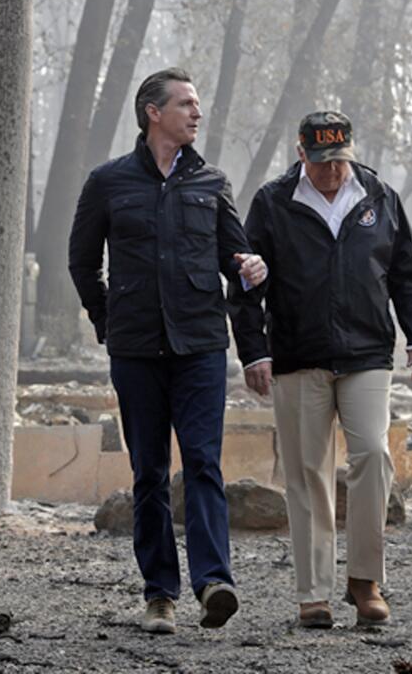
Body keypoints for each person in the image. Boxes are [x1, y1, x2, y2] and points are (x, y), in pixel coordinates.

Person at [68, 68, 267, 634]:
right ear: (153, 112)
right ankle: (160, 594)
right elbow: (82, 263)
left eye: (197, 104)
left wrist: (252, 266)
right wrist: (109, 321)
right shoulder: (107, 183)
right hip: (134, 350)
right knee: (149, 471)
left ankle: (213, 582)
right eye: (185, 104)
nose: (196, 113)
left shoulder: (212, 183)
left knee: (203, 462)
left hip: (201, 344)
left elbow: (239, 257)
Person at [229, 110, 412, 628]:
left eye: (339, 161)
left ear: (351, 150)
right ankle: (313, 592)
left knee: (373, 456)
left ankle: (365, 581)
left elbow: (408, 272)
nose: (332, 173)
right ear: (302, 155)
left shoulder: (379, 197)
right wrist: (253, 350)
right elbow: (246, 282)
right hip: (298, 354)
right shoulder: (274, 203)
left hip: (366, 351)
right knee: (307, 474)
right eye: (321, 164)